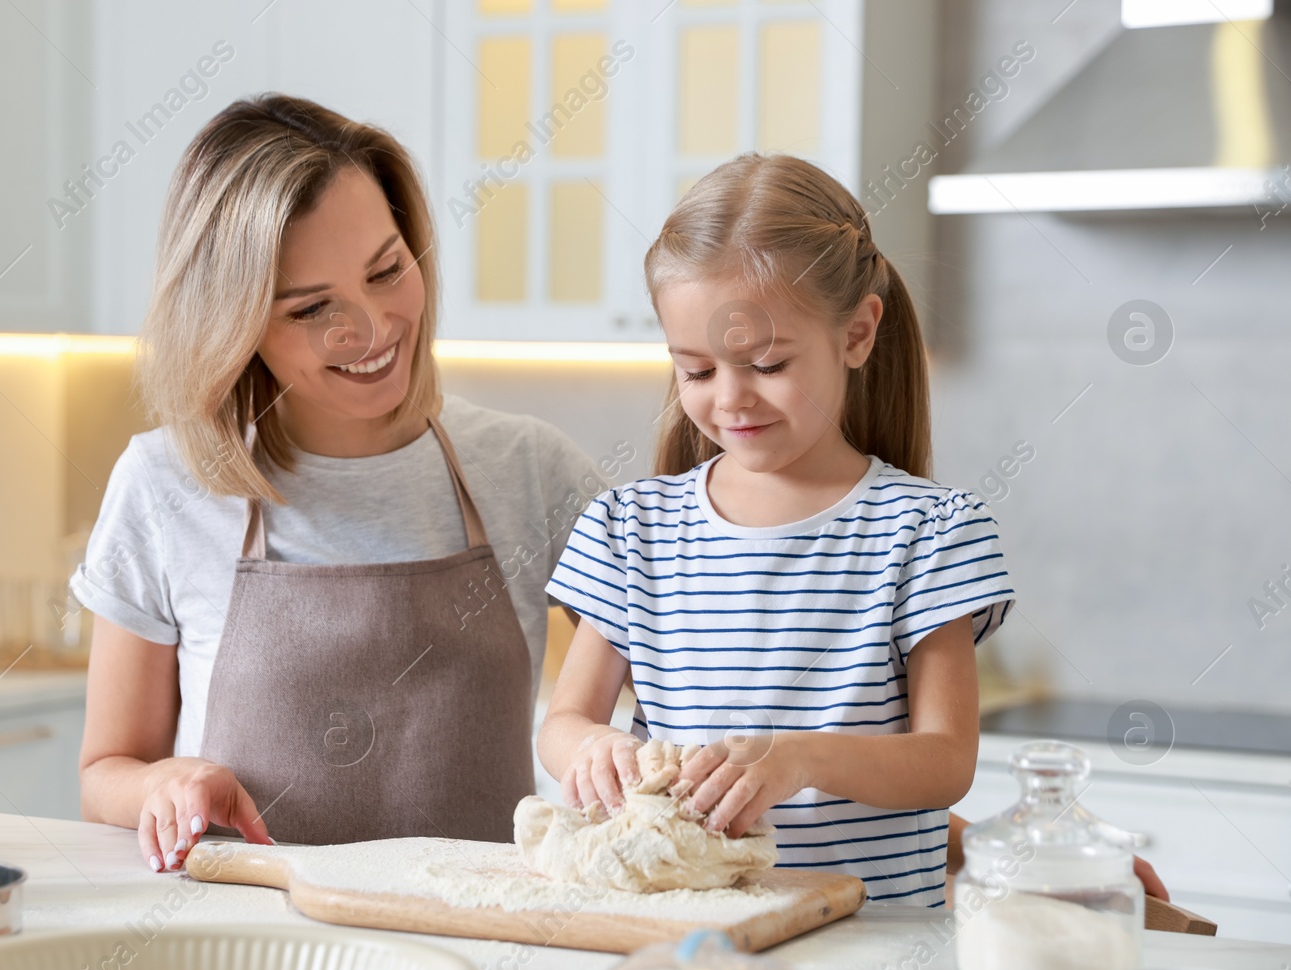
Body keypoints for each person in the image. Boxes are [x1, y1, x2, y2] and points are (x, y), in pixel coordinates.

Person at [72, 94, 605, 871]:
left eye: (388, 270)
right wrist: (163, 782)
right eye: (312, 308)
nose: (370, 327)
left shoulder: (531, 469)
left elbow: (694, 639)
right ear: (237, 322)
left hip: (479, 949)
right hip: (254, 962)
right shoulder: (164, 486)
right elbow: (103, 772)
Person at [537, 153, 1015, 908]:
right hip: (684, 938)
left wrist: (798, 759)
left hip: (875, 942)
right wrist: (594, 747)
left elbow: (945, 761)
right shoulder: (629, 529)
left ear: (857, 333)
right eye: (694, 371)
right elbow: (565, 720)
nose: (730, 399)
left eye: (766, 362)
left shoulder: (928, 532)